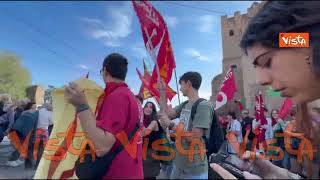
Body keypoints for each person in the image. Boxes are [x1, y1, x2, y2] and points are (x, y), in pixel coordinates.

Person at [211, 1, 320, 179]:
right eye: (256, 67)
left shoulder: (303, 38)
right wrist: (275, 174)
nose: (262, 79)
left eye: (267, 61)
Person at [64, 53, 143, 179]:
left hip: (116, 172)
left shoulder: (117, 96)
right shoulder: (132, 98)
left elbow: (103, 147)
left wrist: (82, 106)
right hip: (131, 169)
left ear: (105, 71)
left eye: (101, 71)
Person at [158, 71, 213, 179]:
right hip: (178, 165)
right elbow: (166, 114)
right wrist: (162, 91)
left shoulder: (204, 105)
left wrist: (171, 125)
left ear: (188, 83)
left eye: (181, 84)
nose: (180, 88)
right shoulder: (184, 104)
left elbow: (194, 138)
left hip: (193, 170)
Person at [141, 101, 161, 179]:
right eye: (146, 106)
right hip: (141, 155)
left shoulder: (154, 122)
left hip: (150, 157)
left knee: (149, 177)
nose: (148, 109)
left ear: (153, 111)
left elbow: (146, 132)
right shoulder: (141, 120)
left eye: (151, 107)